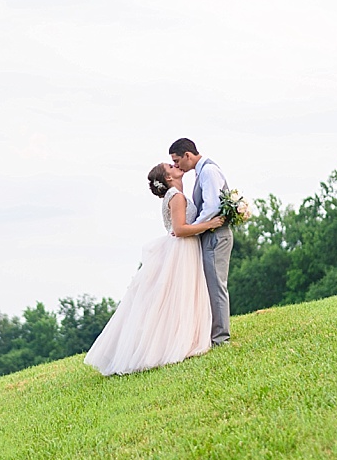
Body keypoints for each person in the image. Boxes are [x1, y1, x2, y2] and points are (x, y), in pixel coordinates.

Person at [84, 163, 225, 376]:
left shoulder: (174, 195)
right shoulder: (176, 196)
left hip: (182, 248)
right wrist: (210, 224)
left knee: (173, 297)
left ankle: (184, 336)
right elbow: (179, 229)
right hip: (182, 250)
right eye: (171, 166)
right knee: (179, 295)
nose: (175, 165)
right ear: (168, 177)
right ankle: (178, 342)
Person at [169, 137, 233, 346]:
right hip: (210, 233)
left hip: (216, 235)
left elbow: (212, 207)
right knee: (210, 285)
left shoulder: (208, 172)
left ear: (188, 155)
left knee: (216, 286)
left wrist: (193, 228)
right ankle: (213, 334)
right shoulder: (201, 172)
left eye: (177, 161)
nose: (177, 165)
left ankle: (221, 338)